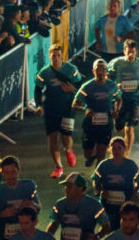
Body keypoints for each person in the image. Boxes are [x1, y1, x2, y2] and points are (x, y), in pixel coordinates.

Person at [35, 43, 84, 178]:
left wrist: (72, 90)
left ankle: (68, 150)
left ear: (62, 55)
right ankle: (58, 166)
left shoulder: (70, 69)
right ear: (49, 56)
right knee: (52, 137)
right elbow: (38, 89)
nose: (56, 58)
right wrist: (39, 105)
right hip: (51, 107)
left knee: (65, 136)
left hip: (68, 107)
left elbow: (81, 86)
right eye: (53, 55)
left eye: (58, 55)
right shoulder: (44, 72)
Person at [72, 59, 122, 167]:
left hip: (105, 124)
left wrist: (116, 110)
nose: (101, 72)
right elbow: (75, 104)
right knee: (87, 153)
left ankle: (98, 176)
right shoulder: (87, 86)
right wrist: (85, 108)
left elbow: (119, 99)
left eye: (103, 70)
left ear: (106, 72)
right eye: (98, 70)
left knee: (102, 154)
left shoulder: (112, 86)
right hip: (90, 125)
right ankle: (92, 155)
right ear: (93, 71)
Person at [0, 156, 40, 239]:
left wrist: (32, 205)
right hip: (2, 235)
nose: (10, 176)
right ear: (2, 173)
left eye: (13, 172)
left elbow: (38, 208)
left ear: (19, 170)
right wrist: (1, 214)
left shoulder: (29, 186)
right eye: (7, 172)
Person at [107, 41, 139, 156]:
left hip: (135, 99)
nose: (130, 54)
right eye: (128, 52)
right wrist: (115, 86)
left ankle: (126, 154)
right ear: (124, 51)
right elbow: (108, 79)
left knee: (129, 128)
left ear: (136, 52)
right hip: (119, 100)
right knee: (119, 128)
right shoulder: (115, 63)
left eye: (132, 52)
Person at [92, 137, 139, 230]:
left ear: (124, 149)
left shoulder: (130, 165)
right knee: (108, 229)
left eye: (119, 148)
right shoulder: (104, 165)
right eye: (113, 148)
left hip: (125, 206)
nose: (116, 150)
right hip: (107, 205)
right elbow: (96, 181)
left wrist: (136, 192)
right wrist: (101, 190)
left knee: (124, 230)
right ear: (109, 149)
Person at [46, 172, 111, 240]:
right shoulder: (59, 204)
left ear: (80, 188)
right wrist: (46, 237)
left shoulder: (94, 205)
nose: (66, 189)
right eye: (65, 186)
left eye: (69, 187)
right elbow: (53, 225)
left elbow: (106, 226)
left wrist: (97, 237)